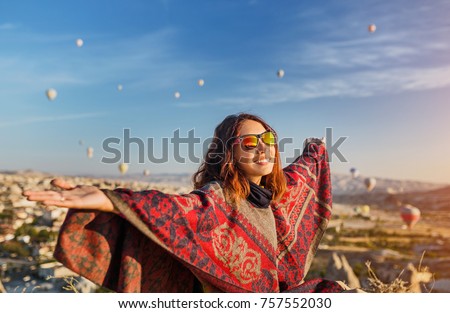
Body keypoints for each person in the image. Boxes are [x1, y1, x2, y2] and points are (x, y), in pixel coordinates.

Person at [23, 113, 348, 293]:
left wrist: (315, 149)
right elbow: (173, 209)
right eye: (250, 142)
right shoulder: (221, 197)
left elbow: (306, 173)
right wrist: (110, 199)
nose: (263, 148)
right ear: (228, 152)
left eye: (269, 140)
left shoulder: (277, 195)